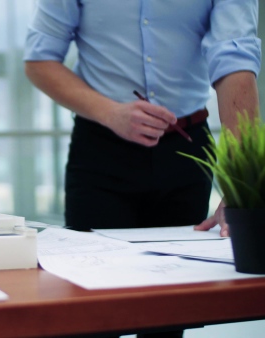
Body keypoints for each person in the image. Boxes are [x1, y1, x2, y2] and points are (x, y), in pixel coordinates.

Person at [24, 1, 260, 337]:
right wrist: (110, 113)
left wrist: (241, 180)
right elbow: (40, 61)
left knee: (170, 309)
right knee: (93, 307)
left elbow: (235, 57)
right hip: (100, 148)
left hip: (187, 149)